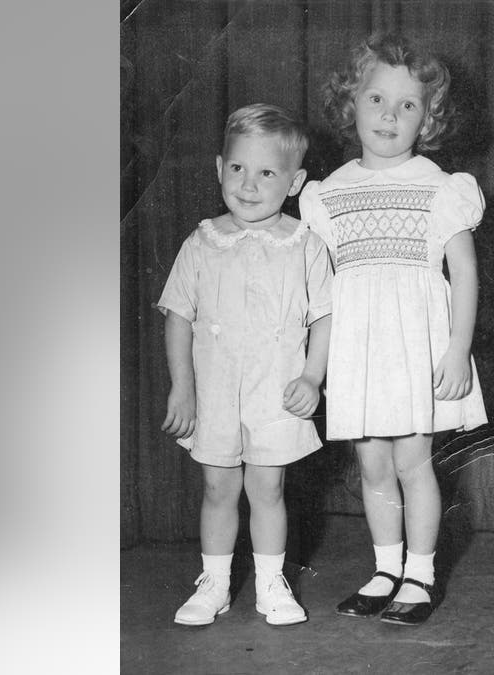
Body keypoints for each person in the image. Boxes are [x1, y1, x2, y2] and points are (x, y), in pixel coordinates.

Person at [299, 33, 488, 627]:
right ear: (349, 105)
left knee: (413, 464)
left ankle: (421, 576)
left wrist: (458, 350)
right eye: (376, 99)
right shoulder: (325, 197)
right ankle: (385, 568)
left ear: (428, 118)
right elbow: (318, 287)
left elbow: (465, 274)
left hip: (417, 353)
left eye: (408, 105)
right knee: (373, 468)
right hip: (359, 353)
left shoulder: (440, 188)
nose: (390, 115)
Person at [157, 103, 333, 627]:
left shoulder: (305, 245)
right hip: (214, 393)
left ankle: (272, 582)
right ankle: (213, 583)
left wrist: (312, 376)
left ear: (295, 181)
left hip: (274, 392)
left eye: (267, 173)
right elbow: (178, 318)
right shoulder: (201, 242)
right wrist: (181, 389)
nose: (249, 184)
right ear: (218, 168)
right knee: (218, 488)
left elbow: (325, 317)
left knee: (268, 488)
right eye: (237, 168)